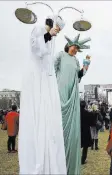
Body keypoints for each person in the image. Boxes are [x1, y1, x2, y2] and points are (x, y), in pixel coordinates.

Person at [18, 16, 67, 174]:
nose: (57, 32)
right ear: (52, 24)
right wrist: (47, 35)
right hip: (37, 78)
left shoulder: (50, 39)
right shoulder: (39, 29)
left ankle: (49, 159)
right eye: (57, 29)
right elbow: (35, 47)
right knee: (38, 112)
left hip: (46, 78)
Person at [55, 34, 91, 174]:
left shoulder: (75, 61)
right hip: (61, 92)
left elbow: (79, 75)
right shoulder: (60, 56)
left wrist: (86, 65)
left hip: (72, 94)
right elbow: (51, 69)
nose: (75, 50)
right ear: (68, 46)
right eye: (74, 47)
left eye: (77, 48)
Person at [80, 100, 93, 165]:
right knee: (85, 147)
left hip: (78, 131)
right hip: (85, 131)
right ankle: (83, 160)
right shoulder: (87, 113)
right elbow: (91, 123)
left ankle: (76, 159)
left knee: (78, 146)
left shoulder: (75, 114)